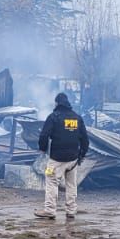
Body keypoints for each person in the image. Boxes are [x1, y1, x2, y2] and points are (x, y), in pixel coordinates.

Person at [36, 92, 89, 221]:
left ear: (56, 103)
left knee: (52, 182)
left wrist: (42, 149)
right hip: (73, 159)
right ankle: (71, 211)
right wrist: (81, 155)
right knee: (71, 184)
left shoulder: (54, 117)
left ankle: (49, 210)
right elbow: (85, 140)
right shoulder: (77, 118)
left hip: (56, 159)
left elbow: (43, 136)